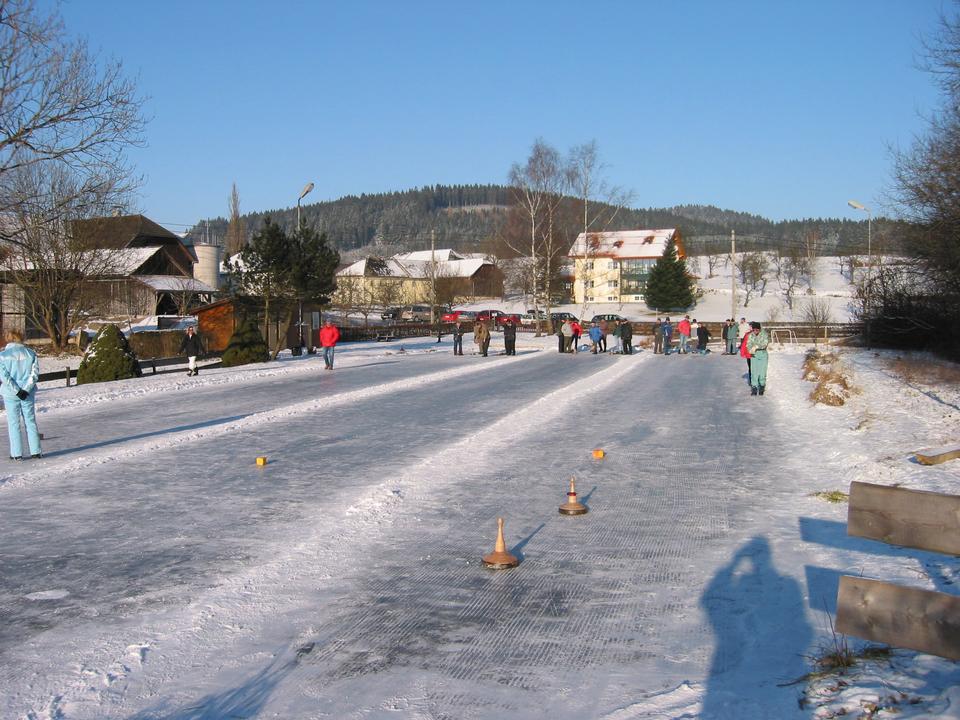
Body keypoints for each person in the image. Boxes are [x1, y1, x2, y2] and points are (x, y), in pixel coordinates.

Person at [0, 329, 42, 460]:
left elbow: (4, 377)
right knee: (30, 421)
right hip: (27, 393)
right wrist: (25, 389)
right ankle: (36, 451)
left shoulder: (3, 355)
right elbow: (34, 375)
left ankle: (16, 453)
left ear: (8, 338)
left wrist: (16, 390)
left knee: (14, 423)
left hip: (11, 393)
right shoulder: (31, 354)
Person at [746, 321, 771, 395]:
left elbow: (764, 343)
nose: (755, 331)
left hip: (762, 354)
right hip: (754, 355)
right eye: (754, 330)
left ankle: (762, 385)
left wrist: (756, 346)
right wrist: (750, 349)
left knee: (762, 372)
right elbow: (748, 344)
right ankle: (754, 387)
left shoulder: (764, 334)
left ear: (759, 329)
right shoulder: (751, 335)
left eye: (757, 330)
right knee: (754, 371)